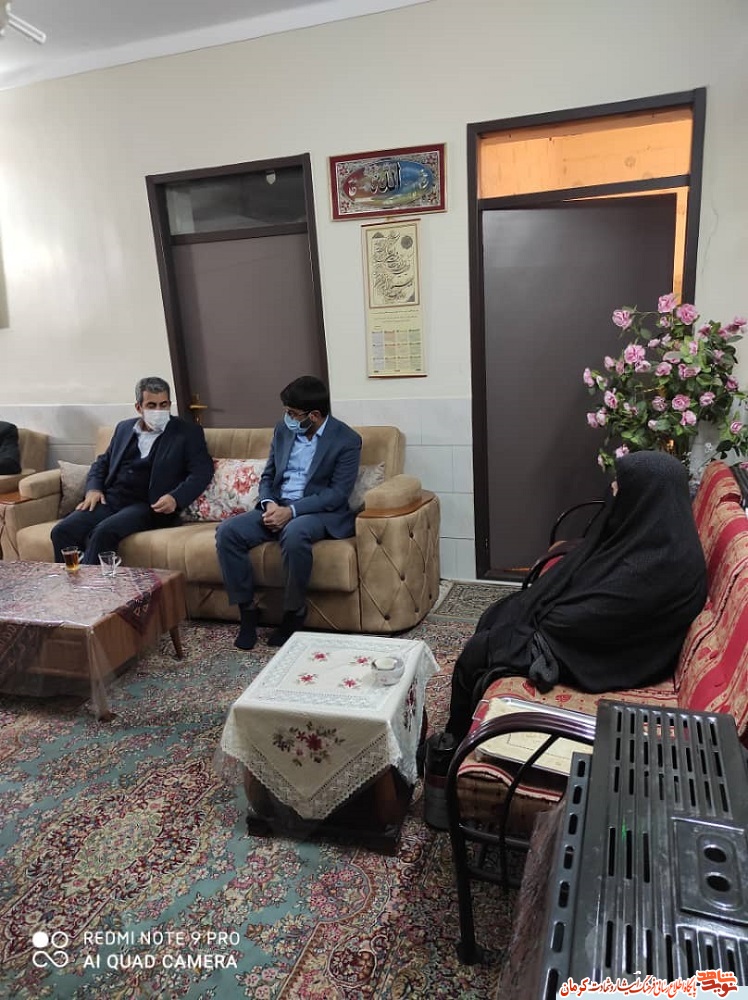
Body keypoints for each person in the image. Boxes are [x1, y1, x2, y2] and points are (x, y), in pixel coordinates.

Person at [444, 449, 708, 743]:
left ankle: (451, 746)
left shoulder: (659, 567)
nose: (612, 490)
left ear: (643, 497)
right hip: (599, 639)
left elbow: (578, 621)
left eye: (620, 485)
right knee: (500, 613)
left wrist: (545, 608)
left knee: (478, 653)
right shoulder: (661, 537)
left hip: (607, 657)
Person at [216, 375, 362, 650]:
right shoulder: (283, 430)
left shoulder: (347, 440)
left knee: (294, 533)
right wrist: (269, 504)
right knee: (228, 532)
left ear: (314, 415)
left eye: (293, 413)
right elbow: (268, 475)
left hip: (317, 512)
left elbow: (336, 494)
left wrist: (291, 511)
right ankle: (247, 611)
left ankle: (294, 612)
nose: (288, 418)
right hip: (277, 504)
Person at [51, 376, 213, 565]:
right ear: (138, 407)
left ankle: (92, 583)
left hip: (149, 506)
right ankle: (73, 580)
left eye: (164, 405)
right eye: (151, 406)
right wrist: (93, 489)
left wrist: (176, 498)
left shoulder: (187, 432)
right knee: (62, 531)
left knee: (103, 532)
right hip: (112, 499)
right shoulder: (124, 428)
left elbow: (202, 472)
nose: (159, 411)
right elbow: (102, 463)